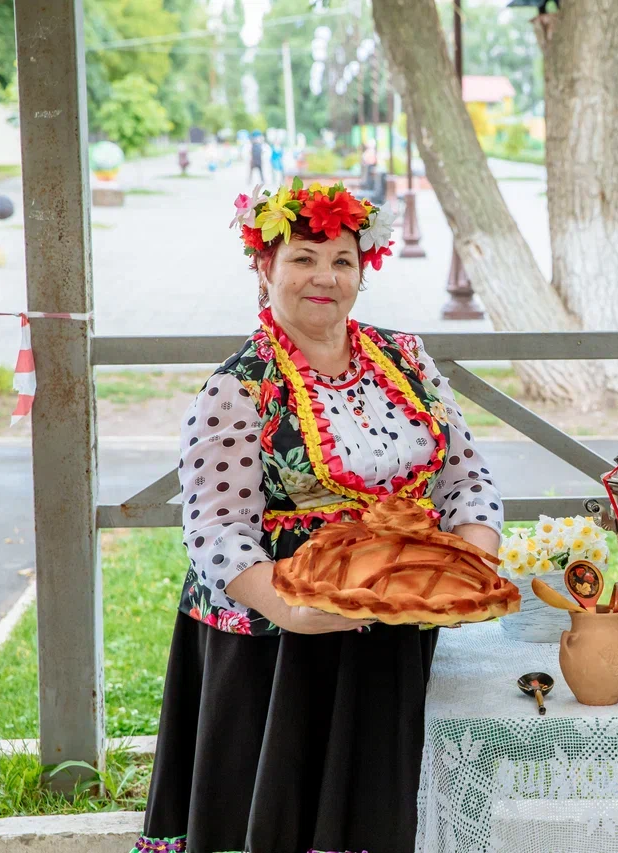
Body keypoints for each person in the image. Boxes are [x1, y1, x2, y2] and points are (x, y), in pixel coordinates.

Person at [133, 181, 503, 853]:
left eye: (341, 259)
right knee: (289, 814)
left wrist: (470, 565)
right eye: (303, 257)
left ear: (364, 270)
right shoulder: (240, 385)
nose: (324, 277)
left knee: (386, 806)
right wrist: (296, 612)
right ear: (264, 267)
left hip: (398, 626)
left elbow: (466, 478)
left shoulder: (409, 360)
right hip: (280, 649)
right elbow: (216, 532)